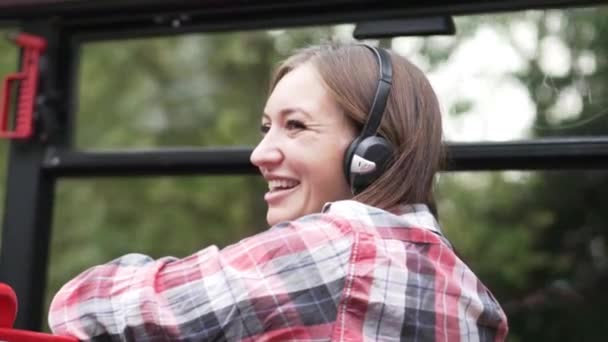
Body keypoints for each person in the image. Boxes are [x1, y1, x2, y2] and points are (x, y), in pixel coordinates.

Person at [48, 42, 508, 341]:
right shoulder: (472, 298)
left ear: (373, 150)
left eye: (296, 126)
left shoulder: (336, 248)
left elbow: (85, 307)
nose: (260, 154)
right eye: (267, 127)